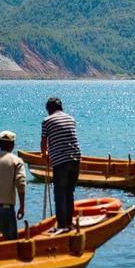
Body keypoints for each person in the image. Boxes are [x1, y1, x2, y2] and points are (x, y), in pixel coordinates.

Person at [41, 97, 81, 231]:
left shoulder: (47, 121)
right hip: (75, 159)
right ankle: (69, 223)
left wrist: (45, 155)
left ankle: (62, 225)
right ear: (61, 108)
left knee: (59, 193)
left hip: (60, 161)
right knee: (69, 192)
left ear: (49, 110)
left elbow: (43, 143)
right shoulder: (71, 118)